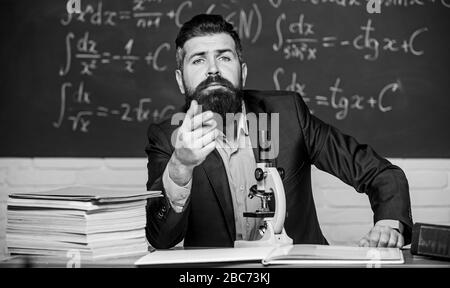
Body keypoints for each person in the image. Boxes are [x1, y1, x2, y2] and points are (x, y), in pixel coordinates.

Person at [145, 14, 413, 249]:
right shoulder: (167, 137)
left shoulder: (287, 114)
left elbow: (380, 173)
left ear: (243, 72)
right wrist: (180, 166)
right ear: (181, 80)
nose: (213, 69)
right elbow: (161, 238)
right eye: (198, 60)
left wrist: (389, 224)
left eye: (224, 57)